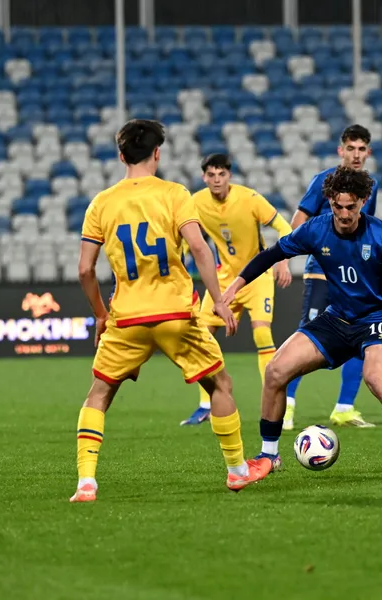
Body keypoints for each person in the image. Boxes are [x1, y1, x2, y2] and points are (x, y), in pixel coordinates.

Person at [70, 119, 270, 502]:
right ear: (157, 154)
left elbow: (84, 270)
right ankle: (237, 471)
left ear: (121, 156)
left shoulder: (101, 203)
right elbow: (199, 248)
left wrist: (100, 314)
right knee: (220, 385)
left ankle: (86, 482)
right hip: (176, 314)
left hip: (127, 317)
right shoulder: (175, 193)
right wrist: (220, 300)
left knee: (99, 394)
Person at [220, 167, 382, 479]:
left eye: (351, 207)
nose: (345, 214)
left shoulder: (381, 235)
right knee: (275, 371)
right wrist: (233, 287)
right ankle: (269, 455)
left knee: (376, 377)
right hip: (337, 319)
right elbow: (271, 255)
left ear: (363, 201)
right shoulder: (317, 229)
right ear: (330, 202)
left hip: (380, 318)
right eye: (338, 206)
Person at [179, 153, 293, 426]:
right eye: (211, 175)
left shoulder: (250, 199)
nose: (217, 180)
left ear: (229, 175)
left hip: (257, 276)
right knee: (202, 335)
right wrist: (180, 264)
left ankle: (273, 402)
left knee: (262, 333)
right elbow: (184, 239)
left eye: (222, 174)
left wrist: (283, 260)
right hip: (223, 280)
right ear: (204, 177)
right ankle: (205, 404)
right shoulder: (196, 202)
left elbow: (283, 226)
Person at [283, 124, 379, 431]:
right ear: (341, 150)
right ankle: (286, 405)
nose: (356, 154)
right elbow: (300, 218)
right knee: (308, 335)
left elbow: (366, 227)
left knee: (361, 335)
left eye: (361, 149)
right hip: (322, 272)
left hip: (354, 275)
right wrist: (289, 255)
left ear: (368, 152)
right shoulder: (324, 180)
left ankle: (344, 409)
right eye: (350, 148)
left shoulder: (371, 186)